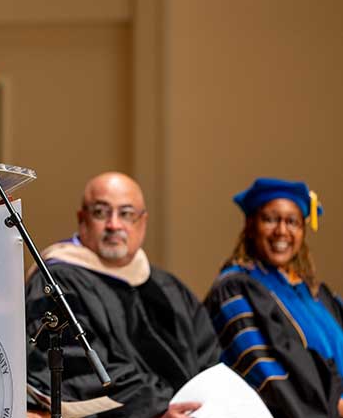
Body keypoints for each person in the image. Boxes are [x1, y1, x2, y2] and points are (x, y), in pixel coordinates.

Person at [25, 172, 219, 418]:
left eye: (126, 214)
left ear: (143, 222)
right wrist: (158, 410)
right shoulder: (57, 280)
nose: (114, 225)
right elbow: (79, 369)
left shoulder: (168, 287)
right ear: (81, 219)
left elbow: (209, 359)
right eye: (101, 213)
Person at [204, 178, 343, 418]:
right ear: (250, 225)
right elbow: (262, 370)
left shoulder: (320, 296)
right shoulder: (235, 288)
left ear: (302, 231)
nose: (282, 231)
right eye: (270, 219)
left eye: (293, 222)